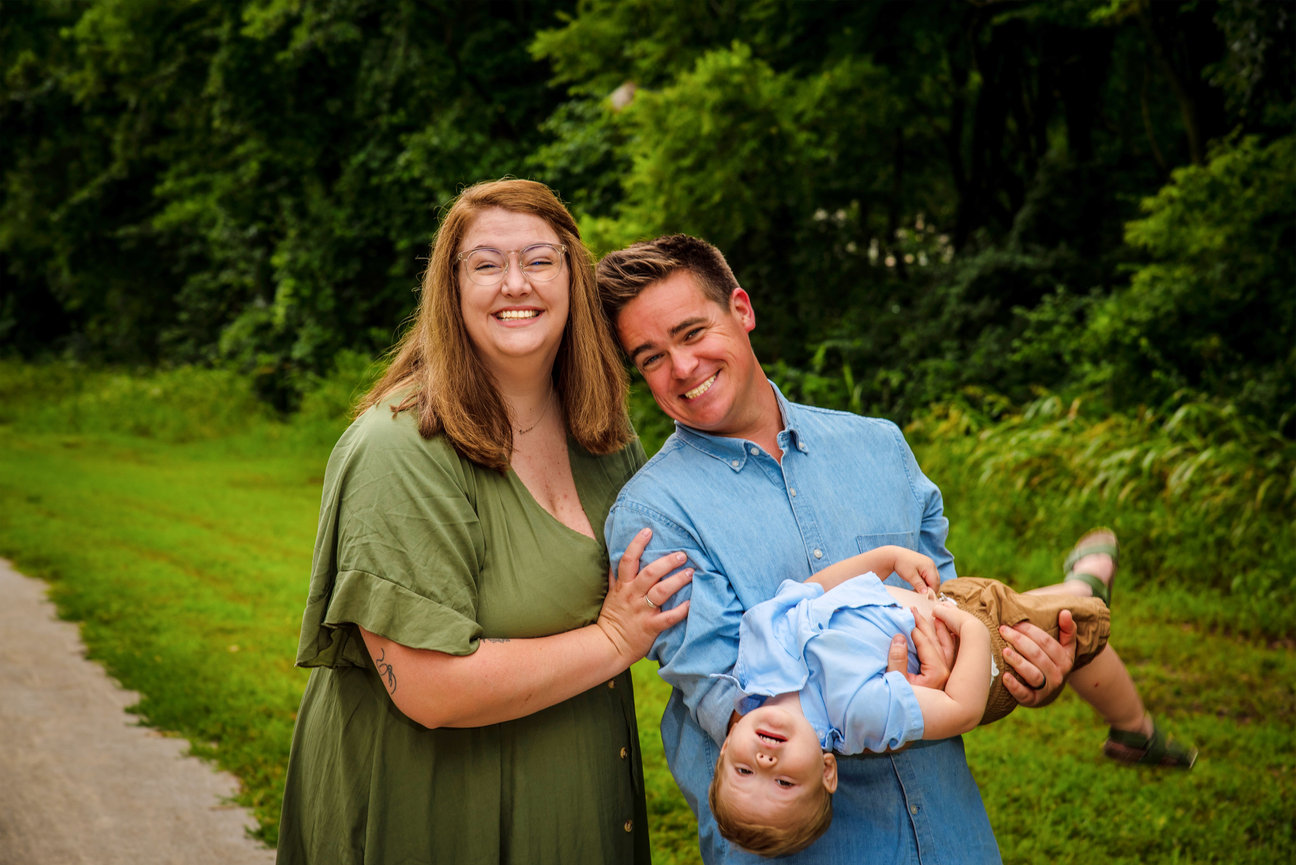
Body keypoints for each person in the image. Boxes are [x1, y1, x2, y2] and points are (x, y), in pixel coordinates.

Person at [596, 233, 1083, 864]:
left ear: (741, 309)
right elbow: (735, 710)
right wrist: (902, 697)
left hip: (952, 836)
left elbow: (960, 617)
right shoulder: (652, 517)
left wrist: (1015, 677)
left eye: (692, 332)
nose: (682, 367)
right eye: (651, 357)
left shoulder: (880, 449)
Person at [276, 180, 693, 865]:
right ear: (451, 287)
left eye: (538, 259)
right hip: (435, 816)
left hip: (576, 804)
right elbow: (430, 686)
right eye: (486, 263)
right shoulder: (398, 448)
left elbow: (690, 588)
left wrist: (863, 587)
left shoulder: (607, 438)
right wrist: (616, 636)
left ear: (573, 279)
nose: (514, 283)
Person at [709, 538, 1198, 858]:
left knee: (1040, 607)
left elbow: (808, 591)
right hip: (979, 649)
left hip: (951, 603)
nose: (766, 759)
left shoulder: (752, 663)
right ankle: (1132, 718)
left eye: (746, 770)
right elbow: (960, 709)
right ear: (827, 769)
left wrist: (882, 560)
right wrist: (970, 630)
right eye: (785, 782)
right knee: (1081, 627)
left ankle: (1081, 593)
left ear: (729, 745)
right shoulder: (860, 715)